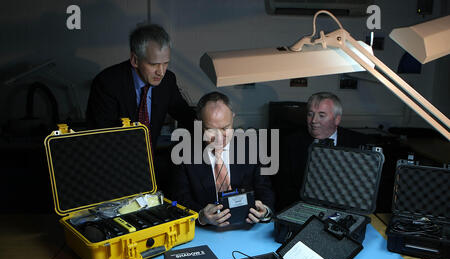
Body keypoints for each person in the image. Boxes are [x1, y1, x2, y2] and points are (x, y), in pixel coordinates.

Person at [171, 91, 275, 227]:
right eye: (211, 130)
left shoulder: (252, 148)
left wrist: (265, 210)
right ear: (199, 124)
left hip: (247, 228)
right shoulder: (183, 153)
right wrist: (201, 216)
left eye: (225, 128)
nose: (219, 137)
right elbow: (177, 200)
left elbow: (265, 190)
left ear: (233, 117)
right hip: (205, 231)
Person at [85, 24, 196, 148]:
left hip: (151, 159)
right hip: (114, 158)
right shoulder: (107, 84)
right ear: (134, 60)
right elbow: (101, 137)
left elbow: (185, 114)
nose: (161, 72)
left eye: (165, 63)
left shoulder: (168, 80)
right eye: (154, 64)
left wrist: (211, 128)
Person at [274, 92, 370, 210]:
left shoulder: (359, 143)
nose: (314, 120)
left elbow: (363, 189)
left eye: (322, 115)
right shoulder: (290, 142)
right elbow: (283, 188)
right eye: (310, 114)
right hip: (302, 208)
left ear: (337, 119)